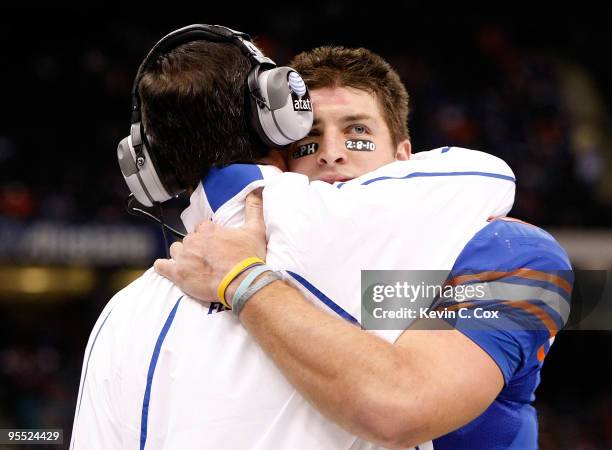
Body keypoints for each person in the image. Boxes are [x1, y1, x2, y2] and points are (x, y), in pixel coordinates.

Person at [69, 26, 558, 450]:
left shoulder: (505, 250)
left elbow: (403, 406)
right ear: (278, 158)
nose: (332, 154)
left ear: (407, 157)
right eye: (308, 139)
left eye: (358, 132)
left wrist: (243, 280)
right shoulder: (175, 283)